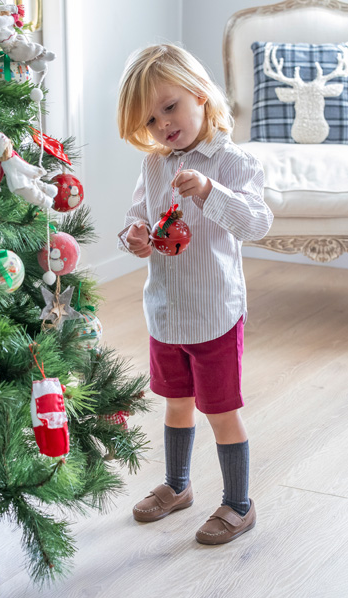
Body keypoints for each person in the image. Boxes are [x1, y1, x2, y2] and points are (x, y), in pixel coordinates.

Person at [115, 43, 273, 545]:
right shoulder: (156, 165)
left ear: (201, 94)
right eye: (150, 119)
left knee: (220, 411)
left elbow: (256, 222)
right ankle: (178, 486)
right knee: (175, 403)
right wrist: (134, 236)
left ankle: (238, 504)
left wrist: (208, 191)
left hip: (214, 314)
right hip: (166, 312)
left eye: (170, 107)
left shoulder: (232, 163)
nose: (162, 125)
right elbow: (135, 216)